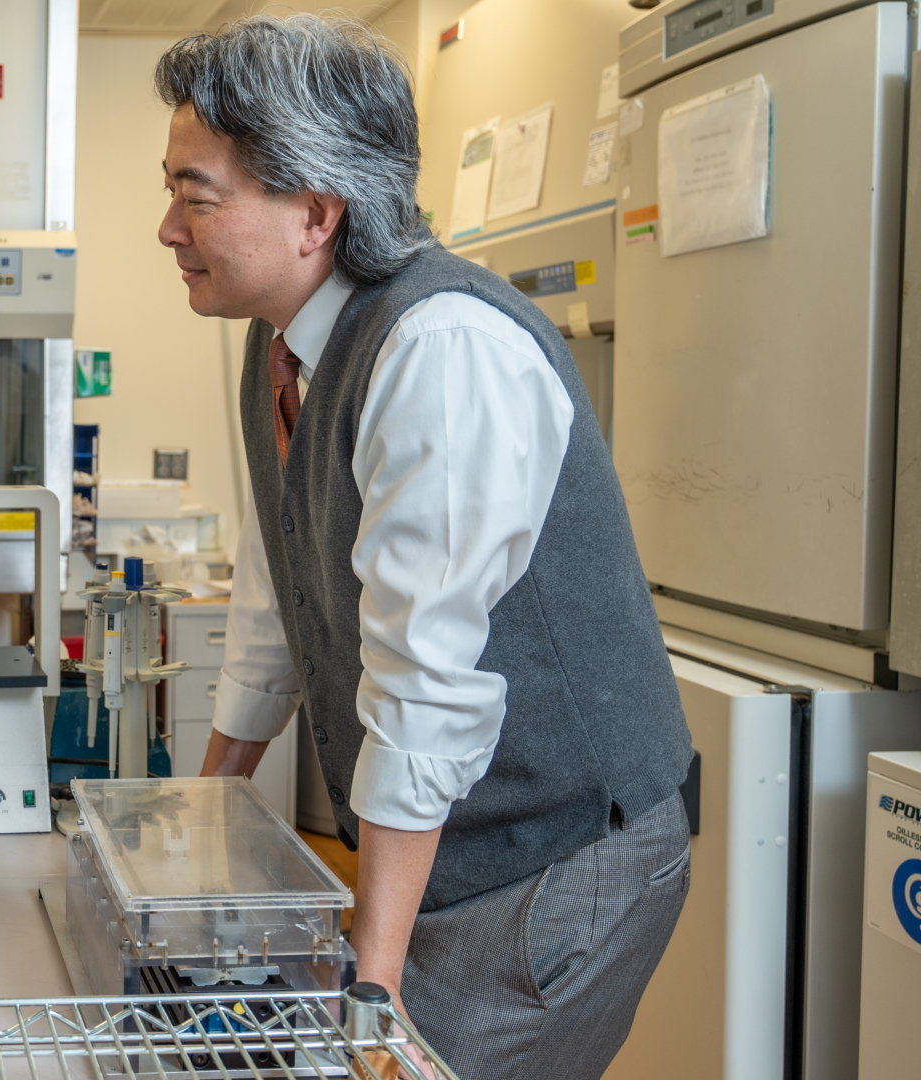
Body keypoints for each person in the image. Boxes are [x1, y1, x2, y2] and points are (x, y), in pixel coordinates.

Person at [156, 17, 694, 1078]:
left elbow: (424, 682)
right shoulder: (281, 339)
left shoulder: (442, 351)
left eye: (194, 194)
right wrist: (206, 813)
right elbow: (279, 576)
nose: (167, 227)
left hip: (552, 852)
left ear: (315, 212)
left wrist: (374, 972)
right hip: (439, 838)